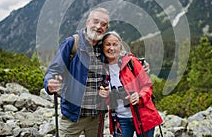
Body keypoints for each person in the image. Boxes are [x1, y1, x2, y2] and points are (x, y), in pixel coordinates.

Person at [44, 7, 111, 136]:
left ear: (106, 29)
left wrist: (142, 65)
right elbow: (53, 70)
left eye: (103, 24)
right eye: (95, 22)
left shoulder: (105, 46)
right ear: (87, 22)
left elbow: (122, 58)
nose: (99, 26)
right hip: (73, 115)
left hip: (96, 117)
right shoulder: (72, 43)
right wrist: (49, 83)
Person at [101, 31, 162, 137]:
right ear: (103, 47)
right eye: (108, 44)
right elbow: (108, 100)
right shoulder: (103, 69)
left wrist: (139, 97)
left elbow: (147, 85)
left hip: (143, 116)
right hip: (120, 119)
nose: (112, 48)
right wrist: (105, 96)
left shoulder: (131, 62)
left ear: (120, 46)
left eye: (115, 44)